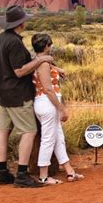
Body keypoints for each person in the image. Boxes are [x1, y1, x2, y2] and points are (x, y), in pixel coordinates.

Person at [0, 5, 54, 188]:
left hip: (3, 95)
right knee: (29, 131)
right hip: (18, 96)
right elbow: (19, 71)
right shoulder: (14, 42)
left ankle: (1, 173)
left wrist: (3, 76)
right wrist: (40, 60)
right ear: (20, 23)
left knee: (3, 131)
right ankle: (22, 175)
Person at [31, 32, 84, 184]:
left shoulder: (38, 61)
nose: (51, 46)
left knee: (58, 138)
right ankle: (43, 176)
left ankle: (69, 171)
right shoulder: (43, 64)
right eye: (50, 44)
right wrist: (61, 108)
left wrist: (56, 68)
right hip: (48, 104)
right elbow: (48, 89)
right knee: (48, 139)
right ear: (47, 46)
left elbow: (43, 66)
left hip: (46, 103)